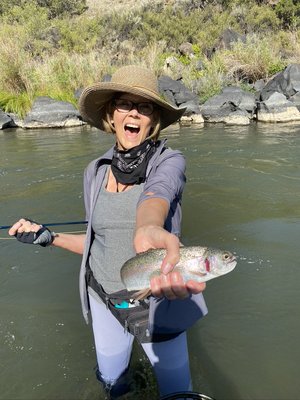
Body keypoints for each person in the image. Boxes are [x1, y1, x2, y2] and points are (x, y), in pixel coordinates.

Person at [9, 65, 208, 399]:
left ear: (153, 119)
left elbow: (158, 194)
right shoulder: (95, 171)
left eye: (144, 107)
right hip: (104, 299)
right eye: (124, 104)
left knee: (177, 394)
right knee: (114, 386)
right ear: (111, 115)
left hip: (155, 304)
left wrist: (147, 226)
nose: (133, 113)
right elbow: (94, 242)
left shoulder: (169, 161)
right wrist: (49, 237)